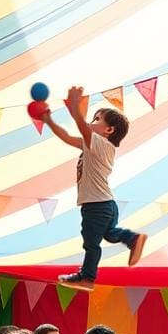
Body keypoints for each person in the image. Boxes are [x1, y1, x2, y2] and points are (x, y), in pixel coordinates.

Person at [42, 88, 146, 290]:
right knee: (109, 234)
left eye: (97, 119)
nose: (92, 121)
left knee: (91, 242)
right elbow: (66, 136)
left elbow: (82, 127)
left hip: (96, 205)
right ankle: (132, 238)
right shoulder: (93, 145)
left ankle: (87, 277)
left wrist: (74, 107)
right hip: (105, 204)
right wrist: (49, 120)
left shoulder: (102, 144)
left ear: (109, 130)